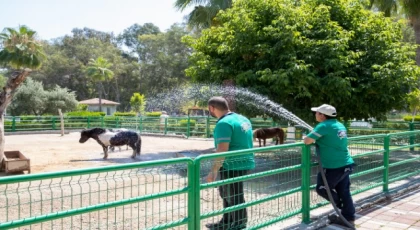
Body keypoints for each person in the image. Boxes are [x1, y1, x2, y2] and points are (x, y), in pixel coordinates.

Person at [205, 96, 255, 230]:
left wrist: (213, 171)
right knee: (226, 192)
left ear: (212, 108)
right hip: (245, 161)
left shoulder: (223, 123)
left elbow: (222, 149)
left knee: (234, 195)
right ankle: (226, 222)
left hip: (232, 164)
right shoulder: (243, 119)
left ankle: (239, 225)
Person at [303, 104, 356, 226]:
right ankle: (348, 218)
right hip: (346, 164)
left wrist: (307, 137)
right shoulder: (339, 125)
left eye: (317, 112)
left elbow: (307, 141)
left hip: (334, 166)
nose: (315, 114)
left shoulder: (324, 126)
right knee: (344, 191)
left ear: (322, 115)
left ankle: (340, 205)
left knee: (322, 188)